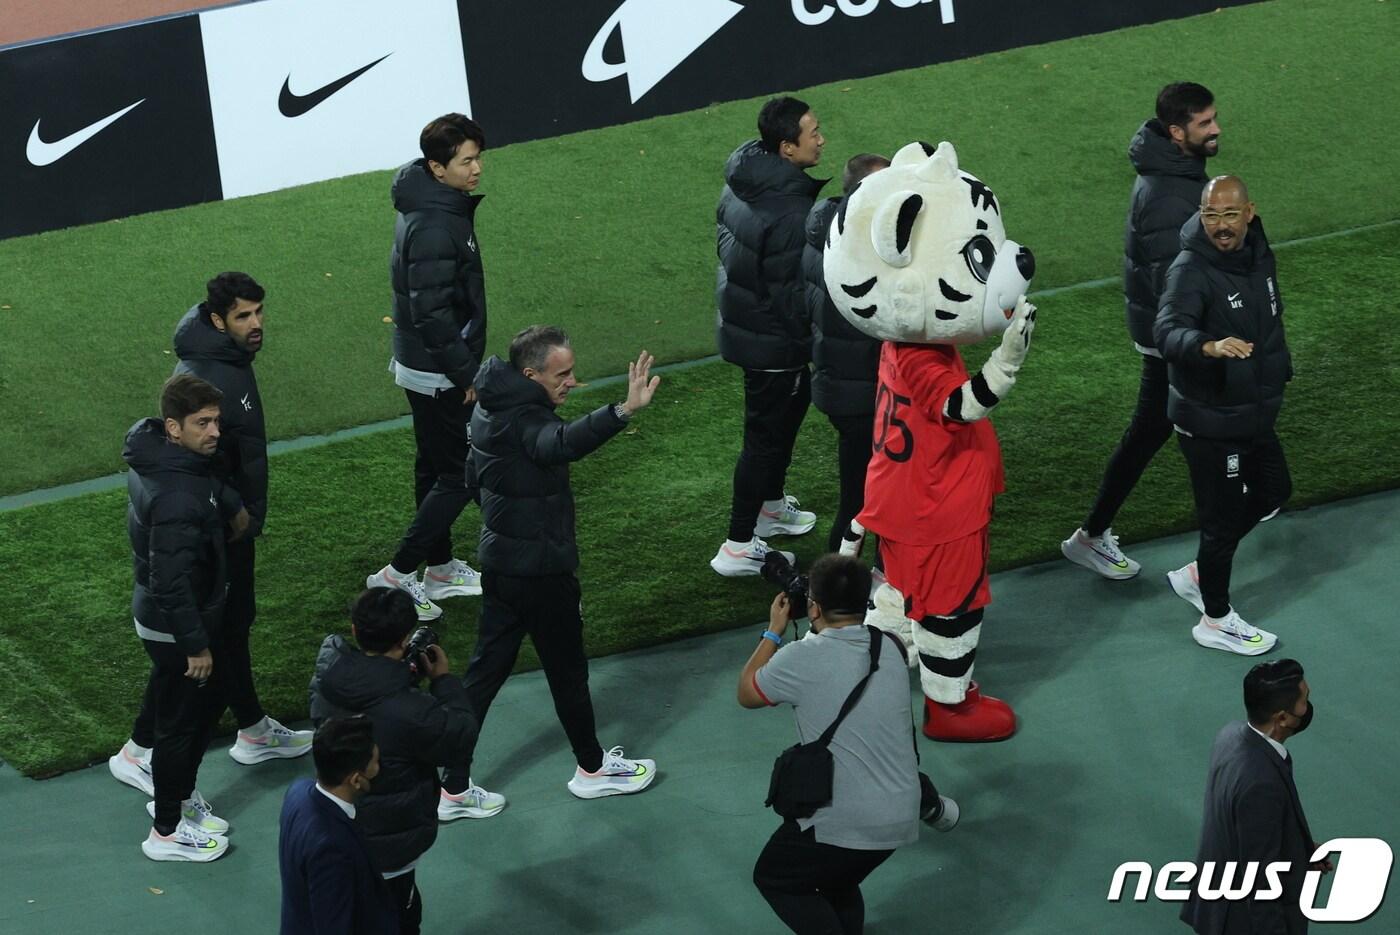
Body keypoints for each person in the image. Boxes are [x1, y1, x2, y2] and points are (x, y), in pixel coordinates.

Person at [110, 274, 310, 794]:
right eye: (244, 315)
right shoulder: (205, 373)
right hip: (218, 530)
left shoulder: (228, 362)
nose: (257, 323)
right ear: (218, 320)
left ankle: (252, 729)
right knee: (200, 659)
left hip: (228, 527)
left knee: (234, 628)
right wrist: (235, 506)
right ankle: (142, 752)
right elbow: (208, 464)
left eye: (260, 311)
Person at [442, 326, 660, 801]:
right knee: (567, 674)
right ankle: (593, 768)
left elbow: (473, 479)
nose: (572, 381)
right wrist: (622, 410)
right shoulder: (525, 419)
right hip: (541, 573)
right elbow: (559, 443)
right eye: (561, 374)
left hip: (501, 565)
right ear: (529, 373)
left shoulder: (487, 406)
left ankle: (453, 787)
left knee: (482, 676)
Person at [1062, 82, 1220, 579]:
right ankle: (1244, 510)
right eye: (1204, 123)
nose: (1216, 129)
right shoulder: (1169, 195)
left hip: (1163, 330)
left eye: (1214, 118)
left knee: (1153, 429)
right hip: (1169, 336)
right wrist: (1201, 341)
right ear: (1177, 132)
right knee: (1198, 426)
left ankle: (1091, 535)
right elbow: (1178, 283)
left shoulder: (1174, 173)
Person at [738, 554, 934, 934]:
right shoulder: (890, 645)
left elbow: (747, 692)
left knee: (775, 878)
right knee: (836, 878)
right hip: (901, 811)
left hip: (847, 822)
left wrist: (774, 630)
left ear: (813, 606)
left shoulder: (800, 657)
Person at [1154, 175, 1291, 654]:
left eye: (1230, 215)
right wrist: (1207, 345)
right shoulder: (1190, 269)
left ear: (1249, 213)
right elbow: (1167, 331)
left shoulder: (1257, 251)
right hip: (1209, 420)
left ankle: (1197, 573)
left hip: (1250, 410)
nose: (1220, 226)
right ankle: (1215, 619)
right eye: (1210, 215)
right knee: (1221, 520)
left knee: (1275, 490)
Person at [367, 113, 490, 621]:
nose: (477, 168)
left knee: (433, 466)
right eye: (467, 160)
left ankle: (439, 570)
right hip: (439, 369)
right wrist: (466, 375)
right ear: (438, 168)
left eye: (478, 156)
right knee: (459, 475)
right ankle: (395, 576)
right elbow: (433, 313)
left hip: (425, 363)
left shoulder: (430, 203)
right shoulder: (437, 223)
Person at [309, 588, 490, 935]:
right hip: (389, 843)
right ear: (405, 638)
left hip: (336, 829)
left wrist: (399, 677)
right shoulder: (412, 713)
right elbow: (460, 737)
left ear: (354, 630)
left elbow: (370, 695)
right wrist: (443, 682)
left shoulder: (329, 675)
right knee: (398, 921)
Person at [711, 96, 829, 576]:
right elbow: (790, 295)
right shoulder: (788, 212)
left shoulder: (747, 175)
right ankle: (739, 544)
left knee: (782, 420)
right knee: (764, 437)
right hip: (772, 339)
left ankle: (770, 506)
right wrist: (814, 337)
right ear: (786, 147)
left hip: (748, 324)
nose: (821, 139)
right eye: (812, 133)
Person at [124, 374, 233, 862]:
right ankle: (166, 831)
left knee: (198, 711)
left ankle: (181, 800)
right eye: (202, 423)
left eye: (216, 421)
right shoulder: (175, 497)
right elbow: (170, 581)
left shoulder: (166, 458)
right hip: (173, 626)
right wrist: (194, 643)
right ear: (173, 427)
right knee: (179, 725)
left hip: (170, 616)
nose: (214, 432)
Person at [1181, 659, 1329, 934]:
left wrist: (1299, 850)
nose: (1307, 707)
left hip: (1217, 901)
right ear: (1282, 718)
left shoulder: (1230, 735)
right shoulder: (1261, 783)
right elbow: (1260, 885)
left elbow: (1242, 825)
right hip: (1241, 921)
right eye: (1304, 702)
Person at [804, 153, 890, 554]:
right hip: (863, 391)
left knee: (860, 498)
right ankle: (839, 588)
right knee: (867, 502)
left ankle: (839, 586)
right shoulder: (863, 250)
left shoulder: (824, 229)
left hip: (839, 383)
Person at [279, 717, 399, 935]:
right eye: (376, 763)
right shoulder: (332, 847)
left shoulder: (297, 791)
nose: (380, 769)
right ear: (355, 780)